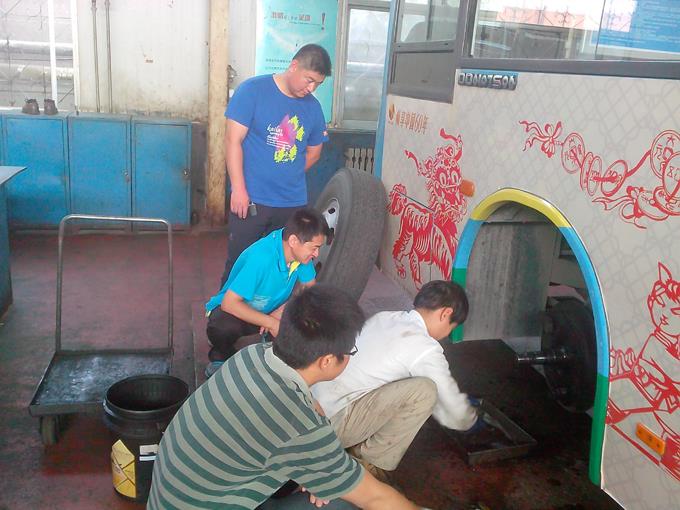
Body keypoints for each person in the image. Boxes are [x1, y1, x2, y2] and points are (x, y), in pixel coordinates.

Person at [148, 285, 423, 510]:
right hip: (209, 502)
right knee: (343, 503)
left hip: (175, 498)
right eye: (351, 351)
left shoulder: (251, 356)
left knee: (325, 479)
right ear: (327, 360)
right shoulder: (299, 426)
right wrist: (326, 470)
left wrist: (319, 467)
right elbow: (376, 499)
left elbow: (311, 408)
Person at [312, 280, 479, 481]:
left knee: (395, 380)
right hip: (331, 426)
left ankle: (355, 444)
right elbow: (450, 402)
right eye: (451, 327)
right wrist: (471, 419)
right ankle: (367, 464)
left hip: (313, 408)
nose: (447, 334)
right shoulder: (424, 346)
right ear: (445, 314)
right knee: (424, 391)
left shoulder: (383, 317)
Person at [221, 43, 331, 286]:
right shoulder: (252, 91)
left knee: (283, 266)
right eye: (309, 80)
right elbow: (232, 141)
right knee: (241, 262)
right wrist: (239, 189)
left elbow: (314, 152)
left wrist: (288, 173)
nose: (311, 88)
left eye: (318, 84)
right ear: (294, 66)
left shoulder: (313, 108)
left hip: (291, 202)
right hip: (251, 200)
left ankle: (271, 310)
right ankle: (225, 309)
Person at [205, 208, 328, 376]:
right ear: (293, 240)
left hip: (271, 311)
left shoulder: (300, 255)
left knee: (309, 311)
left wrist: (281, 312)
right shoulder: (261, 258)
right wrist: (271, 323)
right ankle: (220, 355)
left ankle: (267, 344)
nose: (317, 254)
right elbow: (229, 303)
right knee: (223, 327)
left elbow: (309, 290)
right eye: (314, 248)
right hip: (238, 312)